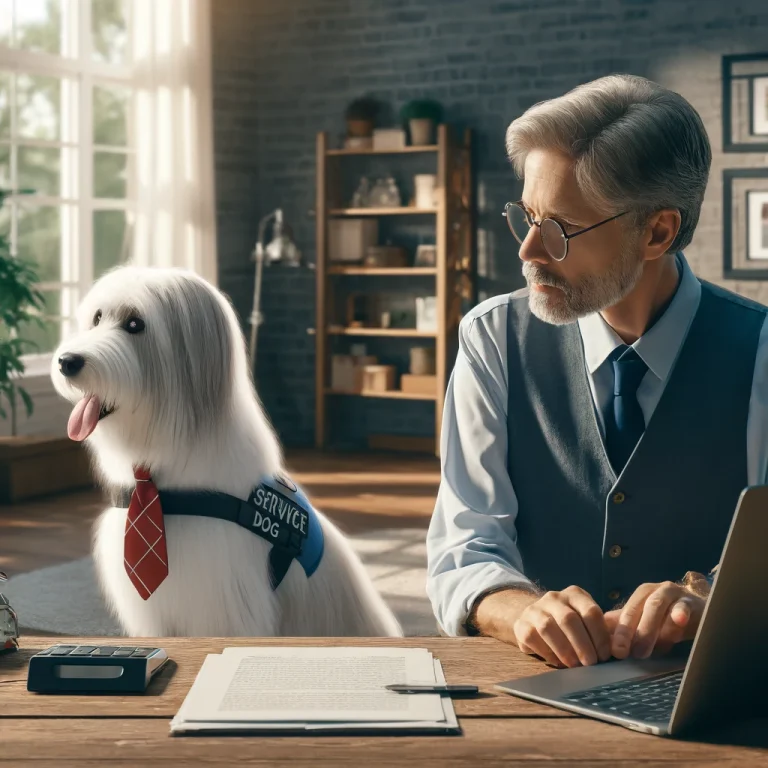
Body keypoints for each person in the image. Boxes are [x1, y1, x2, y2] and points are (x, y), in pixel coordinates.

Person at [425, 74, 768, 670]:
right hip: (530, 693)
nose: (528, 250)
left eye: (559, 227)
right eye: (527, 215)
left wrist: (702, 597)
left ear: (657, 231)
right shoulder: (492, 338)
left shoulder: (761, 350)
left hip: (710, 699)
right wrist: (518, 609)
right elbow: (464, 545)